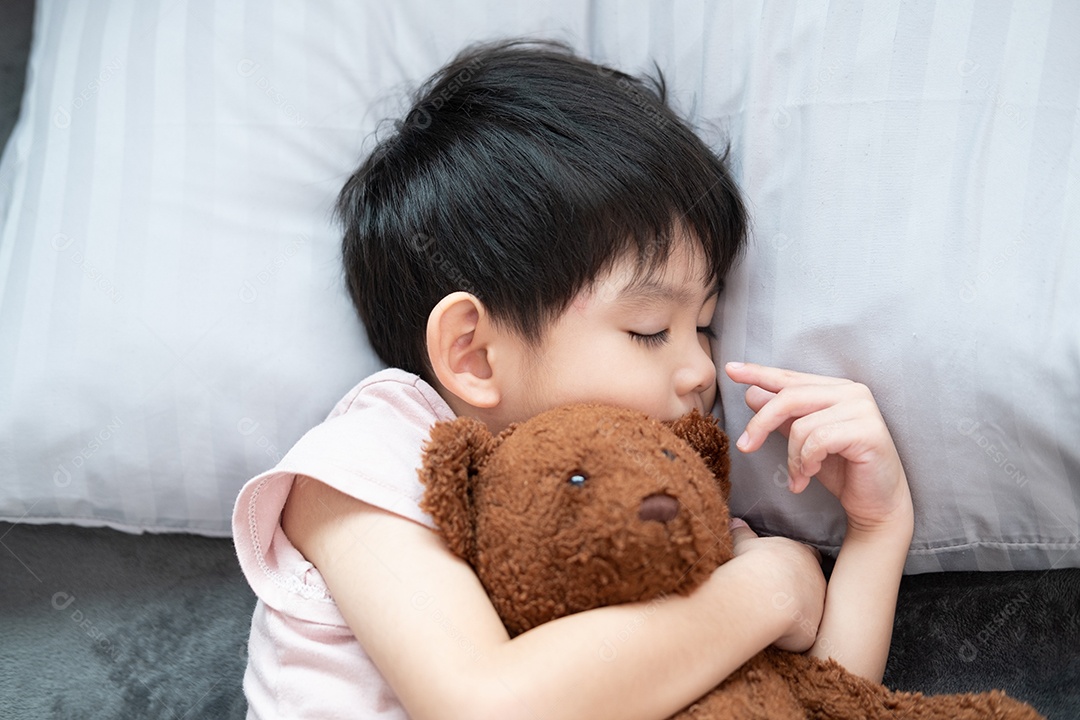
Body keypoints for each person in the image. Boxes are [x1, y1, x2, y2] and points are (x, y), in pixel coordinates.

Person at [232, 39, 913, 720]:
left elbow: (816, 702)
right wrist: (769, 593)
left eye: (705, 325)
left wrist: (877, 530)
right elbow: (484, 705)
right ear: (473, 353)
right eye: (649, 328)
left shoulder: (655, 499)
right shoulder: (371, 455)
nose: (703, 371)